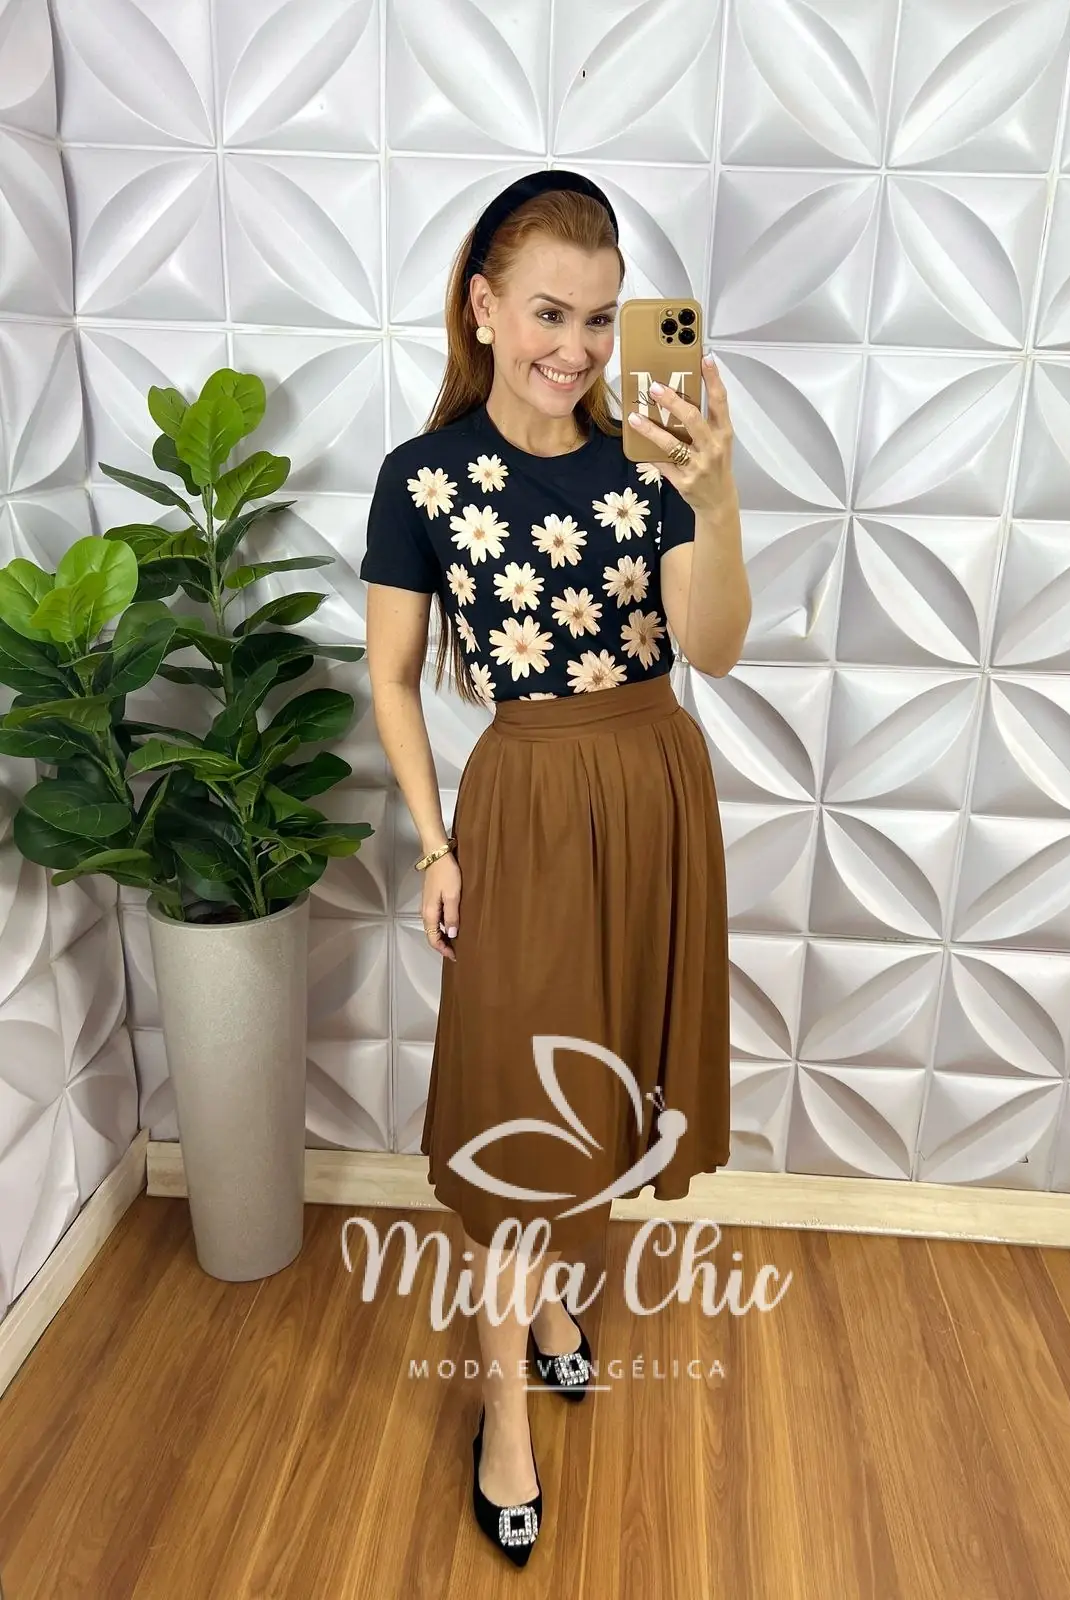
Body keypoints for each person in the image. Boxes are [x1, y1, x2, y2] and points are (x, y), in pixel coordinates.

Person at [360, 168, 748, 1568]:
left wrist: (716, 493)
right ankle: (505, 1421)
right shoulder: (423, 479)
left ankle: (540, 1302)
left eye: (598, 317)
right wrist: (435, 844)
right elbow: (391, 679)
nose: (575, 348)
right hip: (522, 805)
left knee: (602, 1075)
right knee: (514, 1105)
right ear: (482, 305)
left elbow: (713, 651)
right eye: (546, 312)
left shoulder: (655, 456)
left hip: (654, 790)